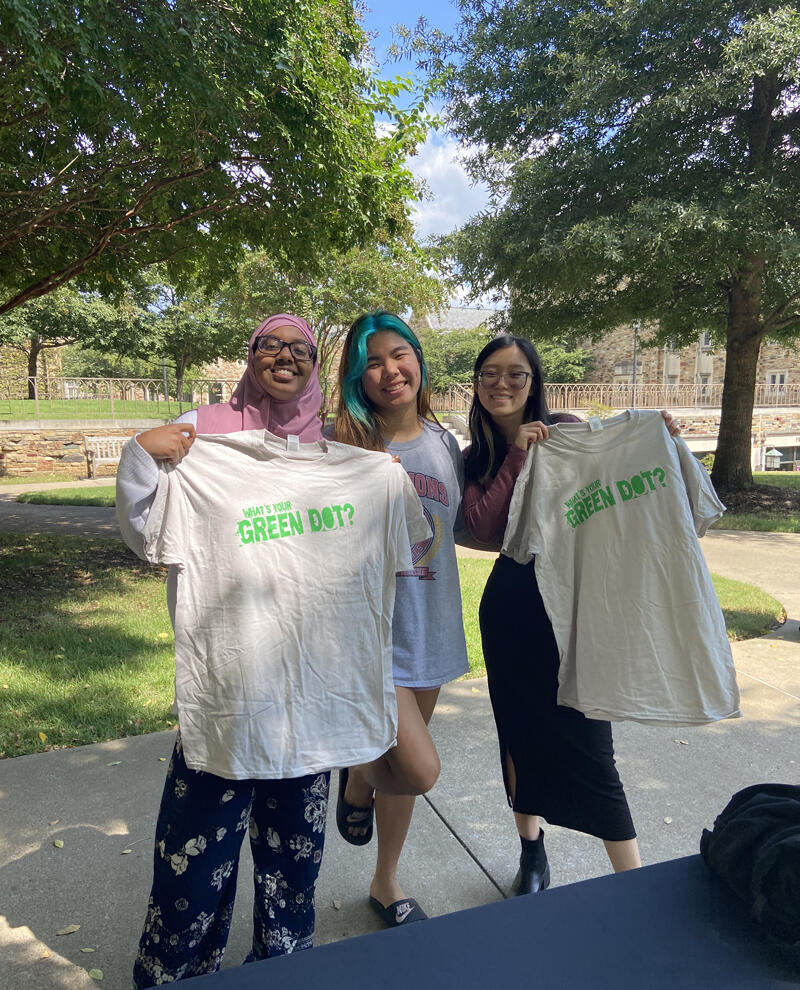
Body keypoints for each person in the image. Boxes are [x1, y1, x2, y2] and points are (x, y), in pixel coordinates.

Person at [116, 314, 429, 985]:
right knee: (193, 864)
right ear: (250, 354)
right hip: (229, 696)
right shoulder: (202, 438)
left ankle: (281, 971)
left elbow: (415, 546)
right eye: (269, 345)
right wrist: (142, 455)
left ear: (315, 365)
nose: (283, 357)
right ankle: (174, 975)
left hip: (312, 703)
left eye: (300, 349)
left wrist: (388, 483)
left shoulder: (346, 457)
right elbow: (146, 534)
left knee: (294, 865)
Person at [462, 334, 680, 896]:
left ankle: (631, 881)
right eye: (490, 373)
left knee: (589, 738)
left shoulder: (568, 427)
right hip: (513, 608)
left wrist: (657, 438)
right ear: (478, 385)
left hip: (576, 605)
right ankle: (532, 853)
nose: (503, 384)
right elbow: (486, 529)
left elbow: (615, 473)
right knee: (518, 736)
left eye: (516, 374)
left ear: (535, 382)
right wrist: (518, 455)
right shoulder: (478, 454)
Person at [331, 310, 470, 927]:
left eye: (399, 355)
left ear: (418, 358)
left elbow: (475, 518)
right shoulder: (341, 447)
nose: (389, 371)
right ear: (357, 380)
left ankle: (385, 880)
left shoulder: (444, 443)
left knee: (400, 778)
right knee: (418, 766)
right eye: (372, 363)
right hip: (373, 635)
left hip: (432, 626)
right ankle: (360, 773)